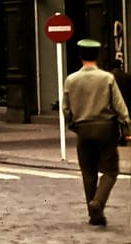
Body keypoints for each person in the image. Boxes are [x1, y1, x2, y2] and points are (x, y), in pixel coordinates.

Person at [62, 39, 131, 226]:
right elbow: (119, 105)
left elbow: (66, 108)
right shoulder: (107, 78)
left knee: (88, 172)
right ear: (98, 56)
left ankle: (94, 215)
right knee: (110, 170)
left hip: (83, 129)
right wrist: (126, 124)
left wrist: (72, 124)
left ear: (80, 56)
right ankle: (98, 203)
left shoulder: (71, 79)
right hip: (105, 129)